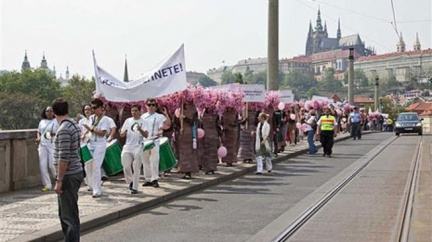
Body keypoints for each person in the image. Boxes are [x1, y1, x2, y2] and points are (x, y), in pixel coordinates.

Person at [52, 98, 84, 241]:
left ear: (53, 112)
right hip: (76, 171)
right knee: (70, 212)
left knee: (68, 216)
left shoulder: (63, 129)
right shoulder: (74, 125)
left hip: (68, 175)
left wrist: (59, 180)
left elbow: (63, 157)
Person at [82, 98, 111, 198]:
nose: (93, 110)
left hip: (99, 144)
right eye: (92, 107)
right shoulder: (91, 118)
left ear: (101, 108)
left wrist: (91, 130)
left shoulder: (105, 119)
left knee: (96, 166)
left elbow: (103, 133)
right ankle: (92, 185)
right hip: (91, 143)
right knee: (88, 166)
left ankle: (97, 190)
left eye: (95, 108)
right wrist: (84, 134)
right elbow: (88, 129)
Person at [141, 98, 169, 187]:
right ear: (146, 106)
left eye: (153, 105)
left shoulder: (159, 116)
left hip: (154, 140)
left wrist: (166, 114)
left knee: (154, 160)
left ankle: (155, 179)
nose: (151, 107)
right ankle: (148, 179)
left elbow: (167, 125)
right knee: (145, 161)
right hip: (144, 141)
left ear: (156, 107)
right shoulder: (143, 116)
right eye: (149, 105)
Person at [120, 104, 148, 194]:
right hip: (128, 146)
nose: (134, 112)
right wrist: (122, 133)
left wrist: (140, 130)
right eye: (132, 111)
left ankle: (135, 187)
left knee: (136, 167)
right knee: (126, 166)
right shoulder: (128, 121)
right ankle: (131, 181)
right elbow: (122, 133)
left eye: (136, 111)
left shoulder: (144, 122)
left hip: (138, 146)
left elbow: (146, 135)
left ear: (140, 111)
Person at [36, 106, 59, 192]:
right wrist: (38, 138)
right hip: (42, 145)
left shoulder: (56, 121)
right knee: (43, 165)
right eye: (47, 111)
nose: (49, 112)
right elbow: (39, 131)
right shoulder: (42, 121)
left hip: (52, 145)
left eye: (51, 111)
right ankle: (47, 184)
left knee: (52, 165)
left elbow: (59, 132)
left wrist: (53, 134)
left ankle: (58, 180)